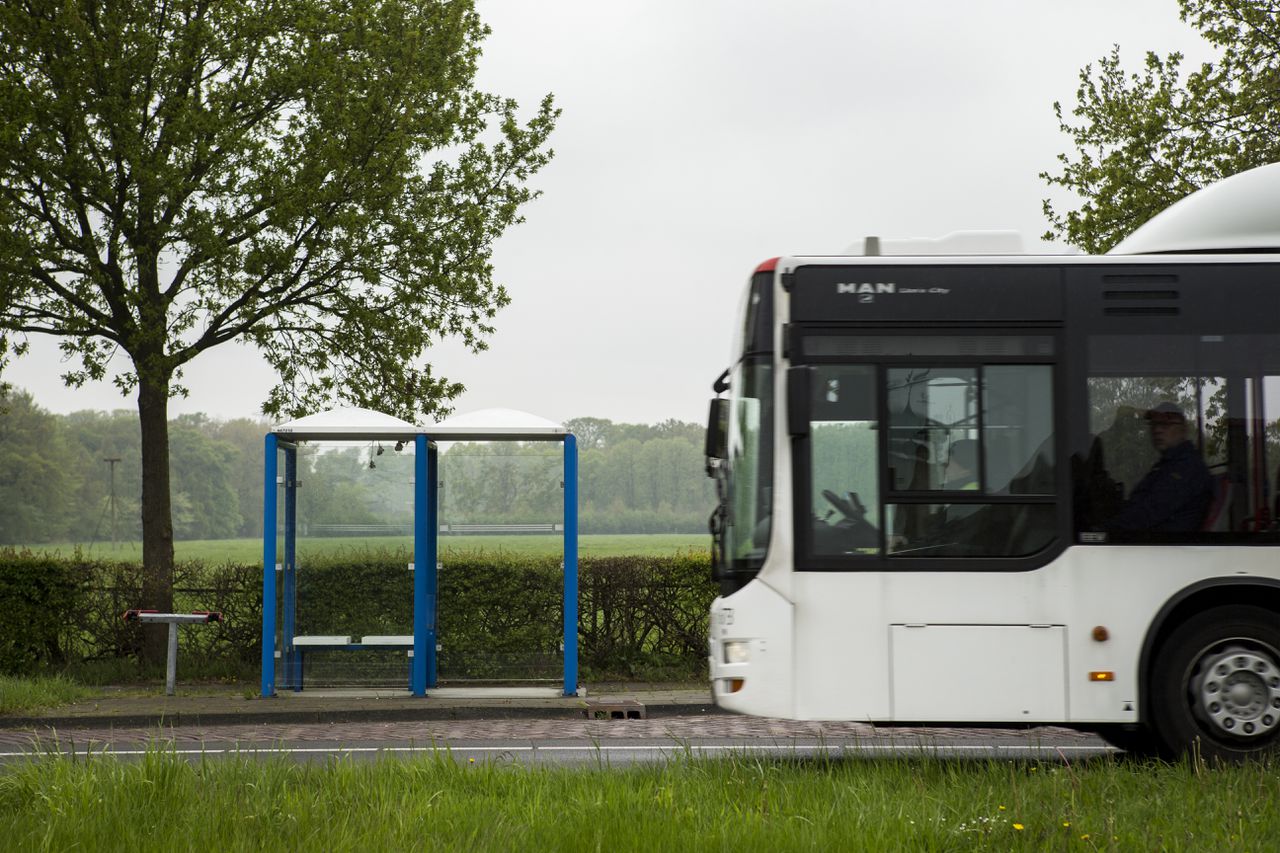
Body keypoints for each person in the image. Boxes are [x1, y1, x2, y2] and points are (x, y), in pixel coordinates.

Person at [1108, 402, 1212, 532]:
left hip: (1168, 548)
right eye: (1154, 424)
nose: (1157, 430)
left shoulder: (1187, 468)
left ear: (1183, 429)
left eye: (1166, 424)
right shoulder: (1167, 465)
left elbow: (1148, 513)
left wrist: (1105, 530)